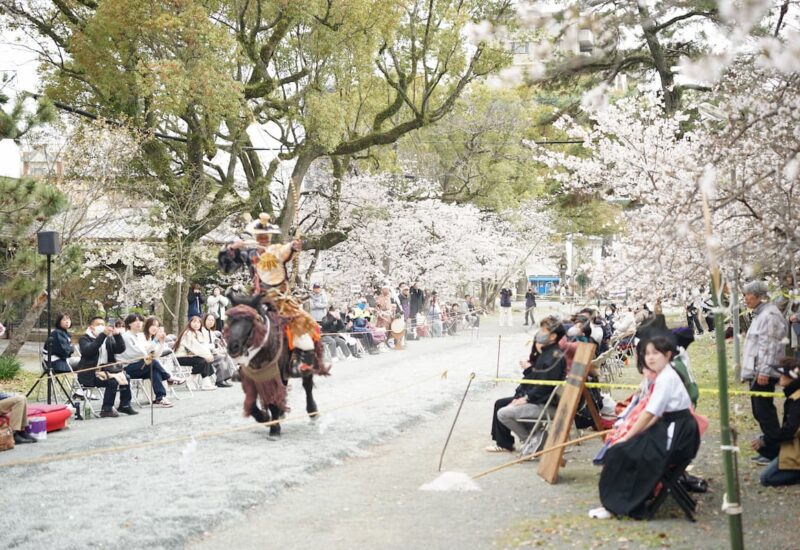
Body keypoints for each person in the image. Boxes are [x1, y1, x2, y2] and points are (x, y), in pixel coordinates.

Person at [591, 336, 700, 519]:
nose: (650, 358)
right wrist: (633, 434)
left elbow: (650, 413)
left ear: (667, 355)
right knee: (625, 448)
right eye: (647, 353)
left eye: (655, 353)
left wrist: (626, 437)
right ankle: (621, 501)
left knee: (620, 451)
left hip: (678, 436)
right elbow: (654, 414)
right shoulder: (665, 375)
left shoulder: (666, 378)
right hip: (675, 429)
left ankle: (619, 504)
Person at [218, 213, 324, 374]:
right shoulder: (250, 253)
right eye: (259, 235)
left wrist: (293, 246)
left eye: (266, 236)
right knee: (239, 318)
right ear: (254, 236)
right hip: (256, 297)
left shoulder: (275, 250)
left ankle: (300, 357)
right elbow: (227, 267)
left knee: (298, 321)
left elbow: (285, 250)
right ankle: (240, 354)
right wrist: (232, 249)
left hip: (279, 298)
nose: (263, 238)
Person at [494, 317, 567, 450]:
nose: (539, 333)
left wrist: (526, 398)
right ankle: (532, 439)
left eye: (543, 330)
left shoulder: (554, 356)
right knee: (504, 404)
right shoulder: (547, 353)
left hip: (546, 404)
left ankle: (531, 441)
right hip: (540, 400)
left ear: (553, 336)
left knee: (503, 413)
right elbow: (536, 380)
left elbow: (545, 385)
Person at [741, 280, 788, 464]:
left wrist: (764, 371)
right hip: (757, 371)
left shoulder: (769, 315)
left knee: (764, 411)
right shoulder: (761, 314)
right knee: (759, 411)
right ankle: (770, 449)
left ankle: (776, 451)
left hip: (764, 372)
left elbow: (770, 346)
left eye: (748, 295)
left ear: (760, 296)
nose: (746, 298)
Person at [76, 317, 138, 417]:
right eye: (98, 324)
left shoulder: (108, 339)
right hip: (90, 374)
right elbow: (89, 351)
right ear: (91, 328)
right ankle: (106, 409)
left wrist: (117, 335)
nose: (101, 326)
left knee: (126, 377)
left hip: (107, 371)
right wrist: (103, 335)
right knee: (112, 381)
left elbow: (120, 349)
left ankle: (125, 405)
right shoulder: (84, 339)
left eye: (102, 324)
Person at [486, 342, 543, 452]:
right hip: (529, 396)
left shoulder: (542, 361)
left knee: (501, 405)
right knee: (501, 403)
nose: (521, 364)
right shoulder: (539, 360)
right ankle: (503, 442)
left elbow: (533, 386)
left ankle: (505, 443)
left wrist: (522, 398)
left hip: (534, 399)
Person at [119, 313, 181, 407]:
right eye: (135, 321)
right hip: (127, 367)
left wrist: (160, 342)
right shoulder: (127, 336)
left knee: (154, 370)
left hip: (140, 365)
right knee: (153, 362)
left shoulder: (135, 336)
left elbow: (151, 352)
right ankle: (168, 377)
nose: (138, 323)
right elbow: (140, 353)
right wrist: (155, 341)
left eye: (140, 321)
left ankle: (161, 397)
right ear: (129, 324)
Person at [755, 358, 800, 486]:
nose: (779, 377)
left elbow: (789, 432)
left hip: (796, 446)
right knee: (761, 441)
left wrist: (768, 440)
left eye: (783, 374)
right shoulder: (793, 396)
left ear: (791, 378)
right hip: (793, 443)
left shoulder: (797, 401)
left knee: (766, 478)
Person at [174, 316, 218, 390]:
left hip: (189, 356)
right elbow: (197, 347)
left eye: (198, 322)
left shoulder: (198, 333)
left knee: (204, 359)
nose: (196, 324)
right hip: (180, 357)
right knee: (202, 361)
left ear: (201, 325)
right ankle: (190, 380)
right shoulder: (188, 333)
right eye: (194, 322)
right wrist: (208, 355)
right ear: (190, 323)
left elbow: (202, 346)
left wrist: (208, 355)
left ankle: (205, 383)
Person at [201, 313, 235, 387]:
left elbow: (213, 345)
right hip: (204, 354)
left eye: (212, 320)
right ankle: (219, 380)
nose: (211, 321)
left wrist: (215, 349)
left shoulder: (211, 332)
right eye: (209, 320)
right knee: (220, 358)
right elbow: (203, 345)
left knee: (225, 355)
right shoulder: (202, 331)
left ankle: (225, 378)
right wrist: (213, 349)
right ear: (204, 320)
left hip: (211, 352)